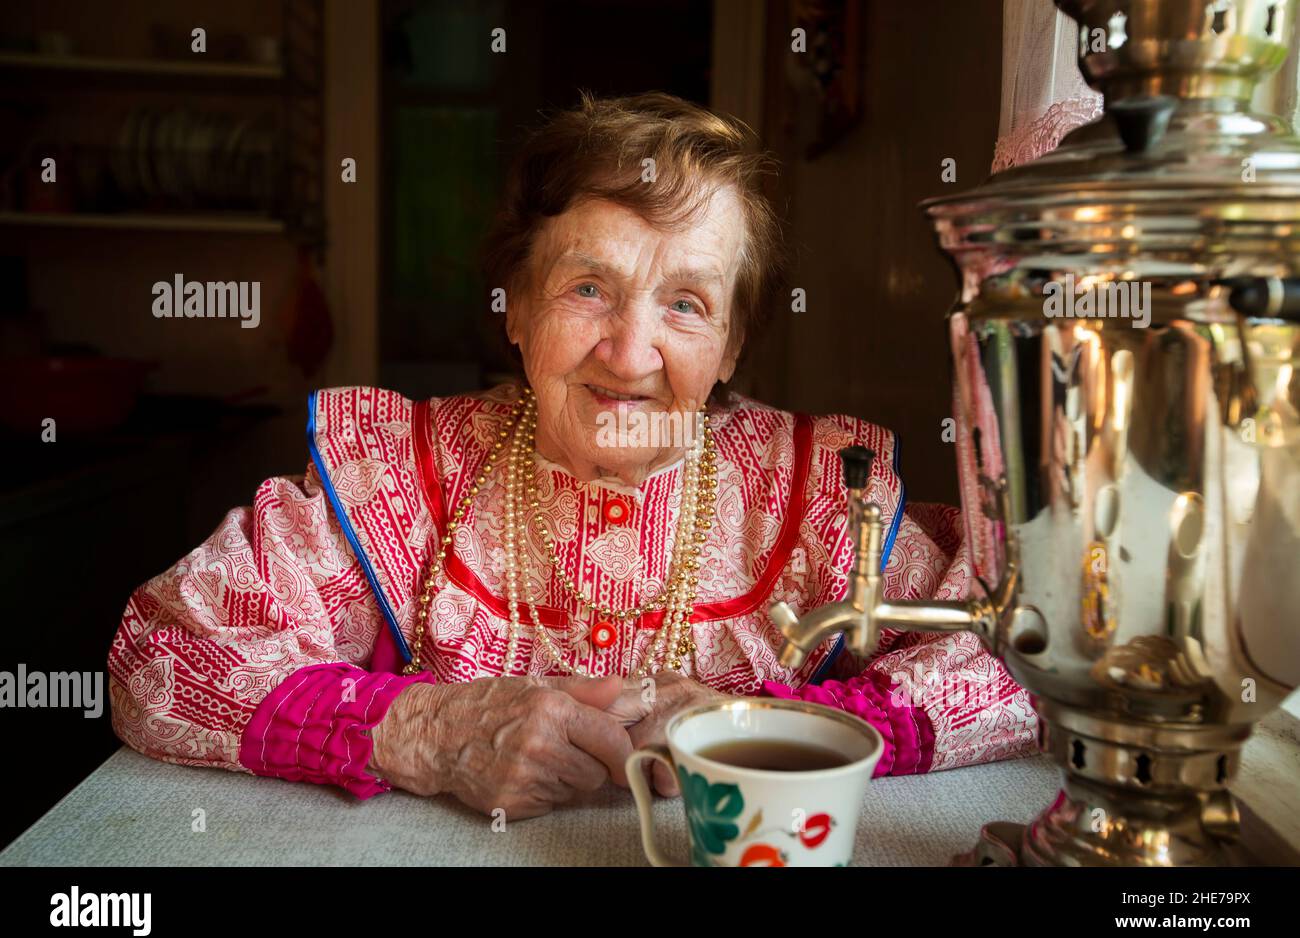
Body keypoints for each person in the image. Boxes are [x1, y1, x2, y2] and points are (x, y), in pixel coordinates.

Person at [108, 92, 1036, 821]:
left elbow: (1028, 648)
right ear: (514, 304)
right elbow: (161, 655)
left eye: (686, 304)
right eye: (588, 288)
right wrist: (427, 730)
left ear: (736, 343)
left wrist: (765, 728)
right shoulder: (399, 476)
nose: (630, 356)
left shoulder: (825, 496)